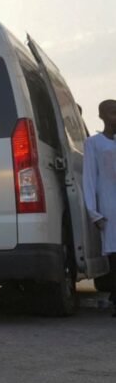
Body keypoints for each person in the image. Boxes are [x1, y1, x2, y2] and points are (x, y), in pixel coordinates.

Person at [84, 99, 116, 314]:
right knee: (114, 255)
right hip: (109, 206)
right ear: (102, 116)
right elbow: (89, 179)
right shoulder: (93, 143)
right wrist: (94, 213)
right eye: (113, 112)